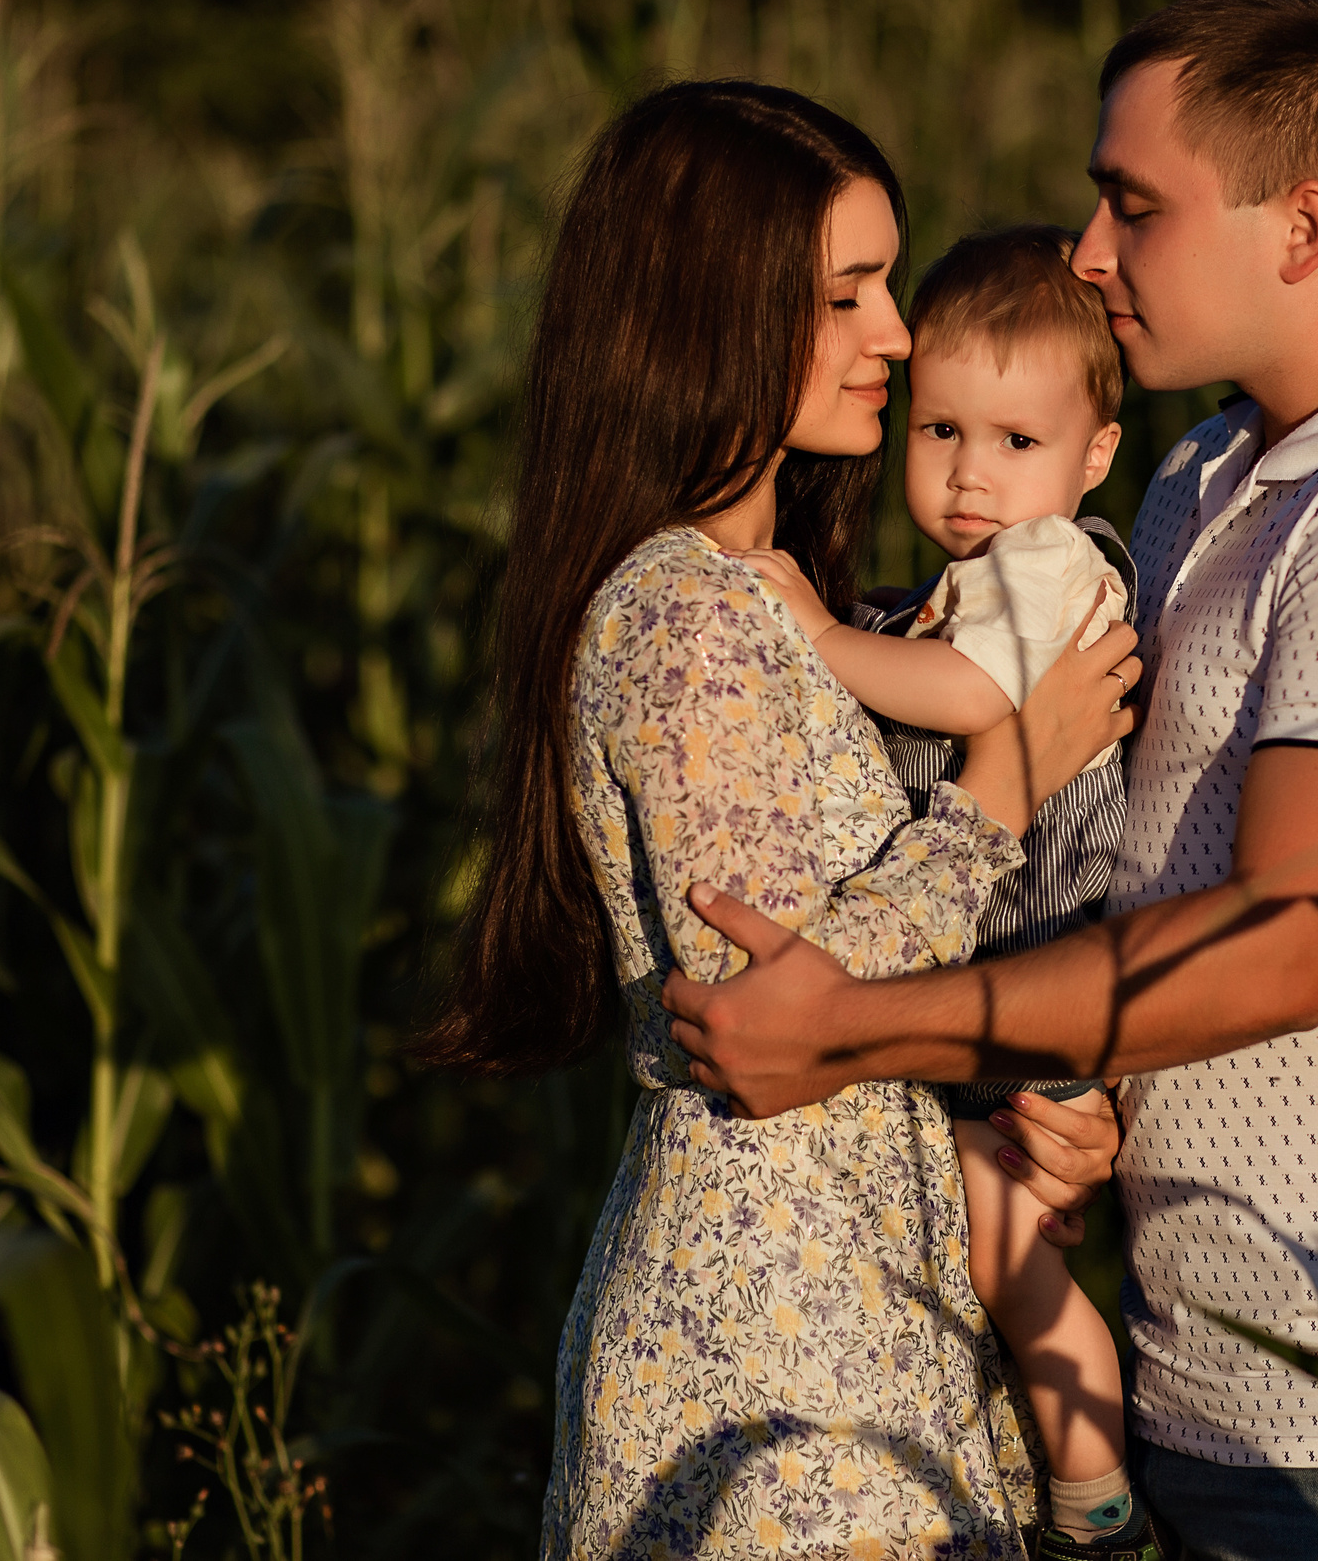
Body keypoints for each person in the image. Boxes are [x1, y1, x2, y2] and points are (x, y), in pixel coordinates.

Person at [663, 0, 1318, 1561]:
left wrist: (854, 1026)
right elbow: (1132, 861)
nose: (1090, 251)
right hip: (1211, 1382)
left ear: (1303, 227)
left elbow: (1284, 941)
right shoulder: (1201, 480)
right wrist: (1088, 1104)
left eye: (1135, 205)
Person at [411, 80, 1146, 1561]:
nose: (897, 334)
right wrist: (1011, 778)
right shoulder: (686, 618)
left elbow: (878, 980)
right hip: (773, 1350)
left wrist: (1031, 1104)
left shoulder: (805, 604)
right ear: (715, 315)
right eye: (847, 295)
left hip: (862, 1303)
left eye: (890, 285)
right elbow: (766, 1010)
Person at [734, 225, 1150, 1557]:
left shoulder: (1052, 569)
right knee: (981, 1248)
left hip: (1030, 981)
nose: (971, 474)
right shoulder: (949, 590)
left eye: (1017, 441)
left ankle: (1099, 1499)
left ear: (1095, 455)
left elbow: (976, 699)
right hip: (978, 993)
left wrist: (818, 636)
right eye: (942, 431)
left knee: (1006, 1255)